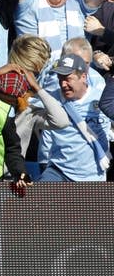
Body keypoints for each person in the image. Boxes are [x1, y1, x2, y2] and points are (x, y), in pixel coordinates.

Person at [38, 53, 110, 181]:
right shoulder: (51, 99)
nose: (63, 84)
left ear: (83, 76)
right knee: (38, 198)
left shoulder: (103, 99)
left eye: (68, 78)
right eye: (60, 79)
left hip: (93, 176)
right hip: (59, 171)